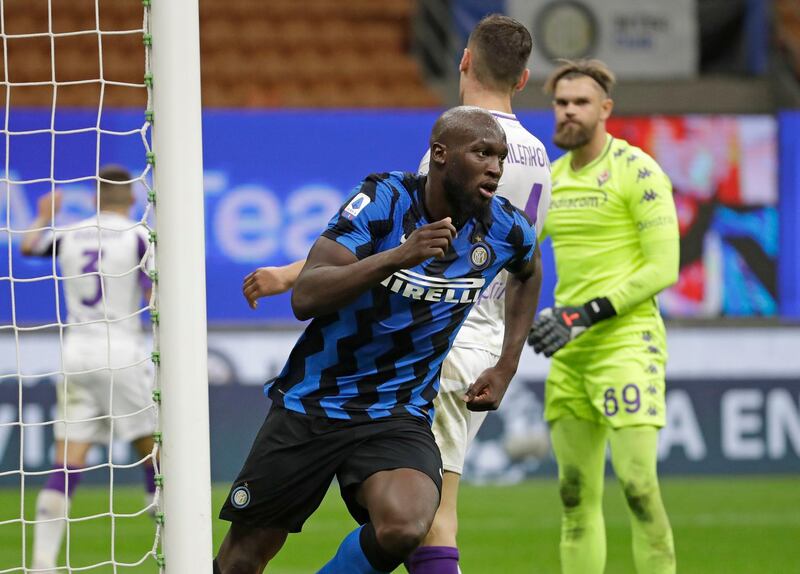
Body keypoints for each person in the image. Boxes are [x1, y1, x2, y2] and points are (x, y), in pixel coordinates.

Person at [241, 15, 551, 573]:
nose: (495, 168)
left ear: (465, 60)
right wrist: (398, 255)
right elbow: (309, 298)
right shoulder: (391, 195)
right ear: (440, 155)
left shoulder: (497, 219)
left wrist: (508, 364)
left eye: (498, 159)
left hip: (402, 402)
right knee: (243, 559)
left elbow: (531, 267)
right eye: (483, 156)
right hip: (316, 398)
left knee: (415, 522)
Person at [527, 59, 679, 574]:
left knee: (638, 486)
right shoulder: (548, 181)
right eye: (561, 103)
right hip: (570, 354)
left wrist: (584, 315)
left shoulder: (639, 171)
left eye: (580, 103)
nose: (568, 112)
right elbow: (516, 255)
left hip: (627, 344)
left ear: (605, 110)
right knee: (573, 498)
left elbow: (665, 267)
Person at [21, 166, 157, 572]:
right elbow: (154, 288)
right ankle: (174, 544)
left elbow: (29, 247)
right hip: (121, 349)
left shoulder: (70, 233)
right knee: (154, 453)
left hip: (76, 352)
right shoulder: (137, 235)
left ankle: (42, 561)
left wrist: (45, 214)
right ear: (132, 198)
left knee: (66, 461)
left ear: (96, 198)